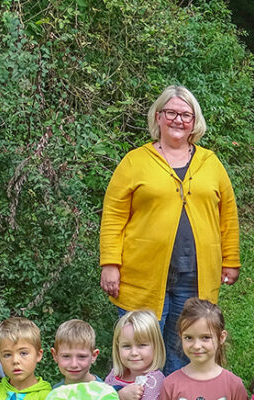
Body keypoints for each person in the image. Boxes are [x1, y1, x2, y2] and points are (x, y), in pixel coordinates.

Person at [99, 84, 241, 375]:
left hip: (195, 276)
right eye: (171, 113)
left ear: (195, 122)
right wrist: (110, 263)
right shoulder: (134, 161)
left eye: (185, 115)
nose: (178, 120)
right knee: (140, 350)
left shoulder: (210, 162)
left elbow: (228, 215)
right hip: (141, 274)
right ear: (158, 117)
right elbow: (113, 216)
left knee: (183, 349)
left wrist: (231, 260)